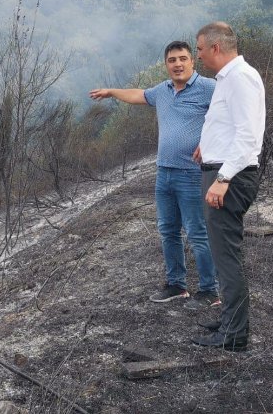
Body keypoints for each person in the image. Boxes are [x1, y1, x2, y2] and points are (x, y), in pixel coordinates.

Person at [90, 41, 220, 309]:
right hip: (164, 173)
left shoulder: (210, 88)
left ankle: (210, 291)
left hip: (193, 174)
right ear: (166, 64)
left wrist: (211, 141)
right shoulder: (163, 90)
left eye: (183, 58)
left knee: (197, 233)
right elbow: (139, 95)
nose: (178, 64)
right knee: (168, 231)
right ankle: (177, 285)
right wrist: (112, 92)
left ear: (193, 61)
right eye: (172, 60)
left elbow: (232, 117)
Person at [190, 22, 266, 351]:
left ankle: (234, 335)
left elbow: (249, 135)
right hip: (221, 170)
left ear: (216, 48)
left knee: (227, 257)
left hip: (230, 178)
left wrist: (222, 179)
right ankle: (229, 320)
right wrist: (208, 145)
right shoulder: (227, 79)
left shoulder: (241, 77)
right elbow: (229, 126)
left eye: (200, 49)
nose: (198, 55)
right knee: (223, 256)